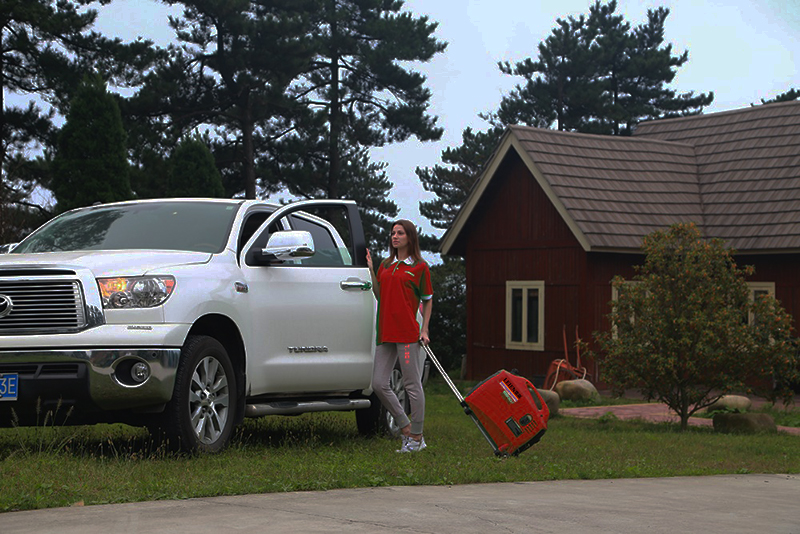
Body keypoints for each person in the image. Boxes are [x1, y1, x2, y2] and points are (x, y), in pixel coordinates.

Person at [366, 220, 433, 453]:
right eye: (393, 233)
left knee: (412, 384)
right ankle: (406, 428)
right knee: (378, 383)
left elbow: (427, 299)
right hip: (385, 332)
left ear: (410, 237)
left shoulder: (419, 267)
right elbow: (380, 294)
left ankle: (417, 437)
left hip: (407, 334)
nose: (395, 236)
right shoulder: (386, 265)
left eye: (400, 233)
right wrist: (372, 271)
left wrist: (424, 329)